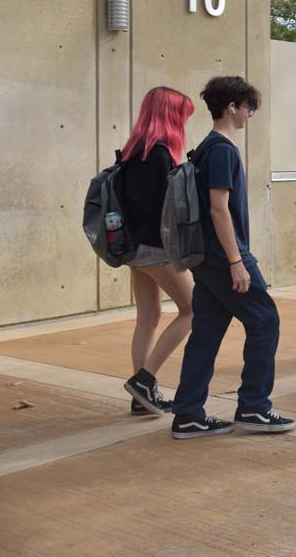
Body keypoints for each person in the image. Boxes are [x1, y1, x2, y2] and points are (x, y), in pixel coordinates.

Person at [171, 76, 295, 439]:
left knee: (206, 333)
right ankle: (254, 406)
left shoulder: (205, 148)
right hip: (225, 256)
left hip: (206, 260)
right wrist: (235, 261)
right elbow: (218, 210)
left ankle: (188, 414)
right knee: (264, 321)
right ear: (232, 107)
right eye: (247, 108)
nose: (248, 115)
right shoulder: (223, 150)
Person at [119, 87, 196, 417]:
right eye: (182, 115)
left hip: (134, 249)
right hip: (155, 248)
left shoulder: (131, 152)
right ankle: (144, 381)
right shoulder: (160, 154)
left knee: (148, 318)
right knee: (195, 309)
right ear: (171, 115)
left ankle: (142, 399)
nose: (184, 122)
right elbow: (163, 213)